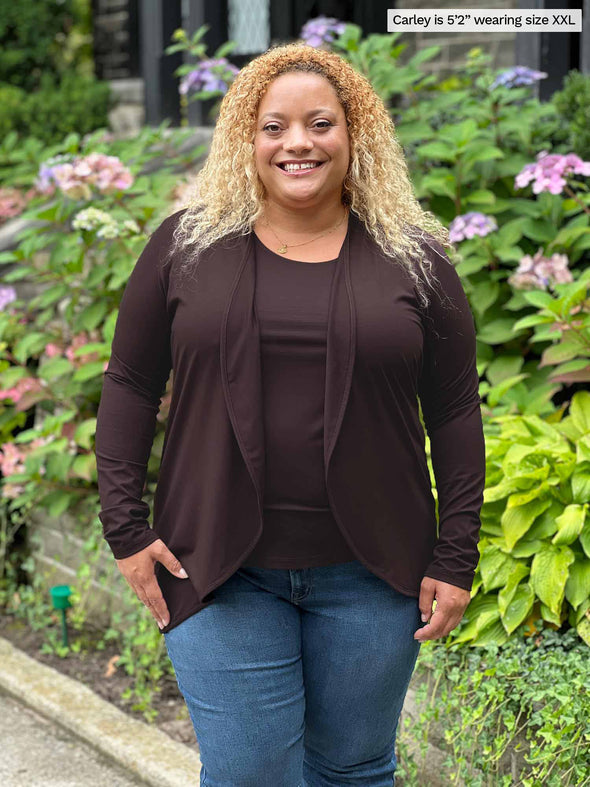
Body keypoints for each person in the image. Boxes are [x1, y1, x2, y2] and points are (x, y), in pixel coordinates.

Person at [95, 42, 486, 787]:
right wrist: (125, 526)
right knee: (249, 774)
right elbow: (130, 384)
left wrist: (455, 553)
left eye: (320, 123)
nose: (298, 142)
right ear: (247, 138)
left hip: (373, 571)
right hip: (217, 566)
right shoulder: (185, 247)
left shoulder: (415, 261)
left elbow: (456, 410)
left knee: (355, 769)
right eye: (274, 126)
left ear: (355, 133)